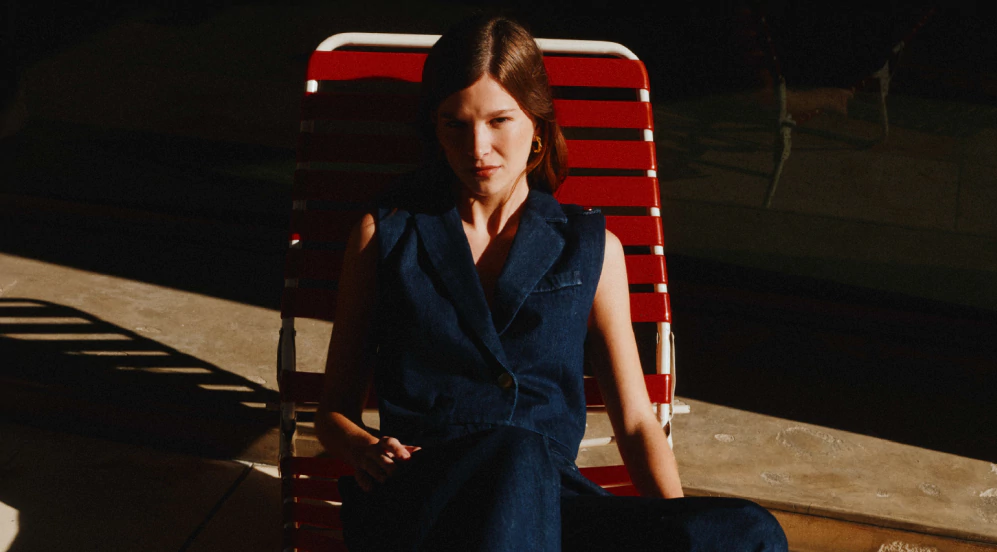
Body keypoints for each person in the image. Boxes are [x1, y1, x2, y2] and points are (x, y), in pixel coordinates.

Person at [314, 13, 788, 552]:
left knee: (749, 530)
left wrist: (675, 528)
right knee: (515, 454)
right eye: (455, 123)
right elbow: (333, 412)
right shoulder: (387, 235)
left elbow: (636, 422)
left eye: (499, 120)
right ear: (434, 128)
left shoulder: (591, 248)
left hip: (554, 505)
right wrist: (363, 448)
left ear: (536, 124)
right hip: (425, 500)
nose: (477, 147)